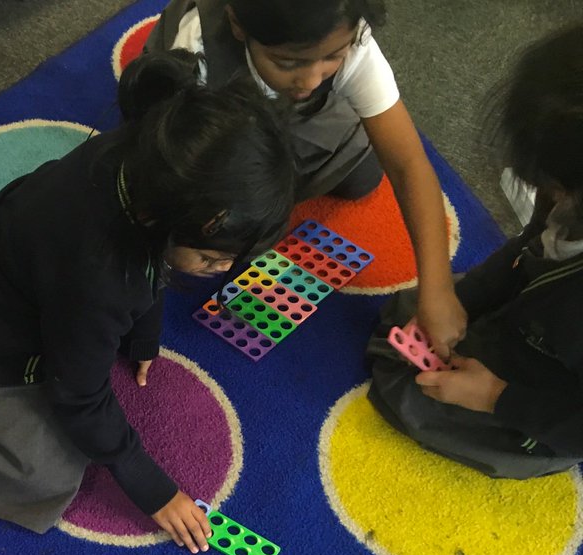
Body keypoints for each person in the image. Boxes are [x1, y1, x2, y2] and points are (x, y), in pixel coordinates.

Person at [0, 51, 296, 551]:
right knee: (45, 474)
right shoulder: (103, 276)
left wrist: (143, 334)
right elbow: (78, 394)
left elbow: (153, 265)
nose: (223, 271)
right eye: (213, 258)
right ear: (169, 219)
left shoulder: (142, 160)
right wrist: (153, 489)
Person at [145, 0, 464, 359]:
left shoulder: (349, 37)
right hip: (206, 117)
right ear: (237, 24)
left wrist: (437, 288)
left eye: (332, 57)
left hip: (276, 115)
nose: (311, 80)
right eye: (288, 62)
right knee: (234, 226)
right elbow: (169, 170)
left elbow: (407, 164)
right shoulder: (196, 54)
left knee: (363, 177)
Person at [365, 22, 583, 478]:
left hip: (551, 409)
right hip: (539, 317)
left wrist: (495, 397)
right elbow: (526, 252)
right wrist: (460, 298)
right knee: (411, 317)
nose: (548, 196)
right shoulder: (565, 176)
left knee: (406, 389)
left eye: (557, 188)